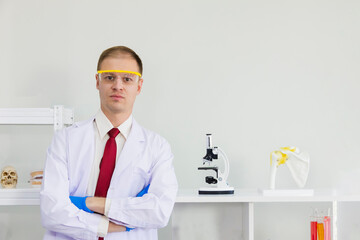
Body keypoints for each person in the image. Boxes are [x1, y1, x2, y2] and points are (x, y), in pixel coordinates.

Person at [40, 46, 178, 240]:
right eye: (109, 77)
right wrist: (106, 225)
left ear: (139, 86)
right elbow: (51, 211)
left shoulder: (157, 147)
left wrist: (91, 203)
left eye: (127, 79)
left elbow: (159, 211)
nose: (118, 86)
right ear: (97, 81)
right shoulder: (65, 140)